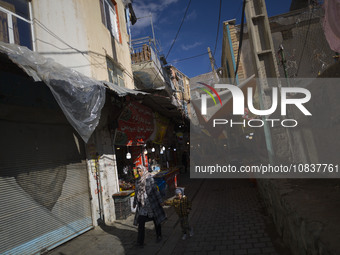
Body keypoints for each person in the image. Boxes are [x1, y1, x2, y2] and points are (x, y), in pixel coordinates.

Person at [133, 166, 166, 247]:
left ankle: (159, 235)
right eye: (138, 171)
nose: (139, 173)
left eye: (140, 171)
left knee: (156, 221)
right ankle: (140, 242)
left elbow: (155, 191)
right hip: (143, 206)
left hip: (152, 204)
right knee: (141, 223)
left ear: (143, 171)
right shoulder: (137, 181)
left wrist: (160, 201)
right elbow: (136, 192)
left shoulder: (150, 179)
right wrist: (134, 202)